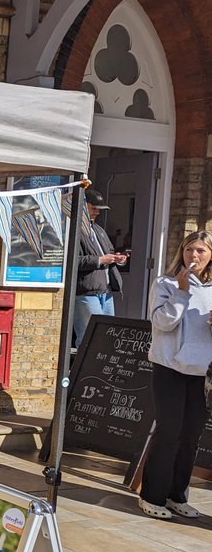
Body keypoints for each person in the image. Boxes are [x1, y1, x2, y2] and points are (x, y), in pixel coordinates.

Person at [139, 230, 212, 519]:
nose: (194, 256)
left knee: (191, 435)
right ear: (181, 252)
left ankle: (176, 495)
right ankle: (151, 496)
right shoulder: (165, 283)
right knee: (168, 431)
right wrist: (181, 293)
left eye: (201, 251)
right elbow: (161, 323)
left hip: (200, 371)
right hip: (169, 367)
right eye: (189, 249)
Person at [74, 189, 126, 345]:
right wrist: (100, 260)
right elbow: (72, 262)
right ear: (82, 206)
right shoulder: (74, 230)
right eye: (93, 208)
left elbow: (109, 252)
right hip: (86, 292)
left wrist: (118, 258)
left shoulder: (99, 230)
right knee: (89, 337)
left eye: (99, 209)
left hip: (106, 291)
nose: (97, 212)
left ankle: (100, 369)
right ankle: (84, 369)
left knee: (107, 336)